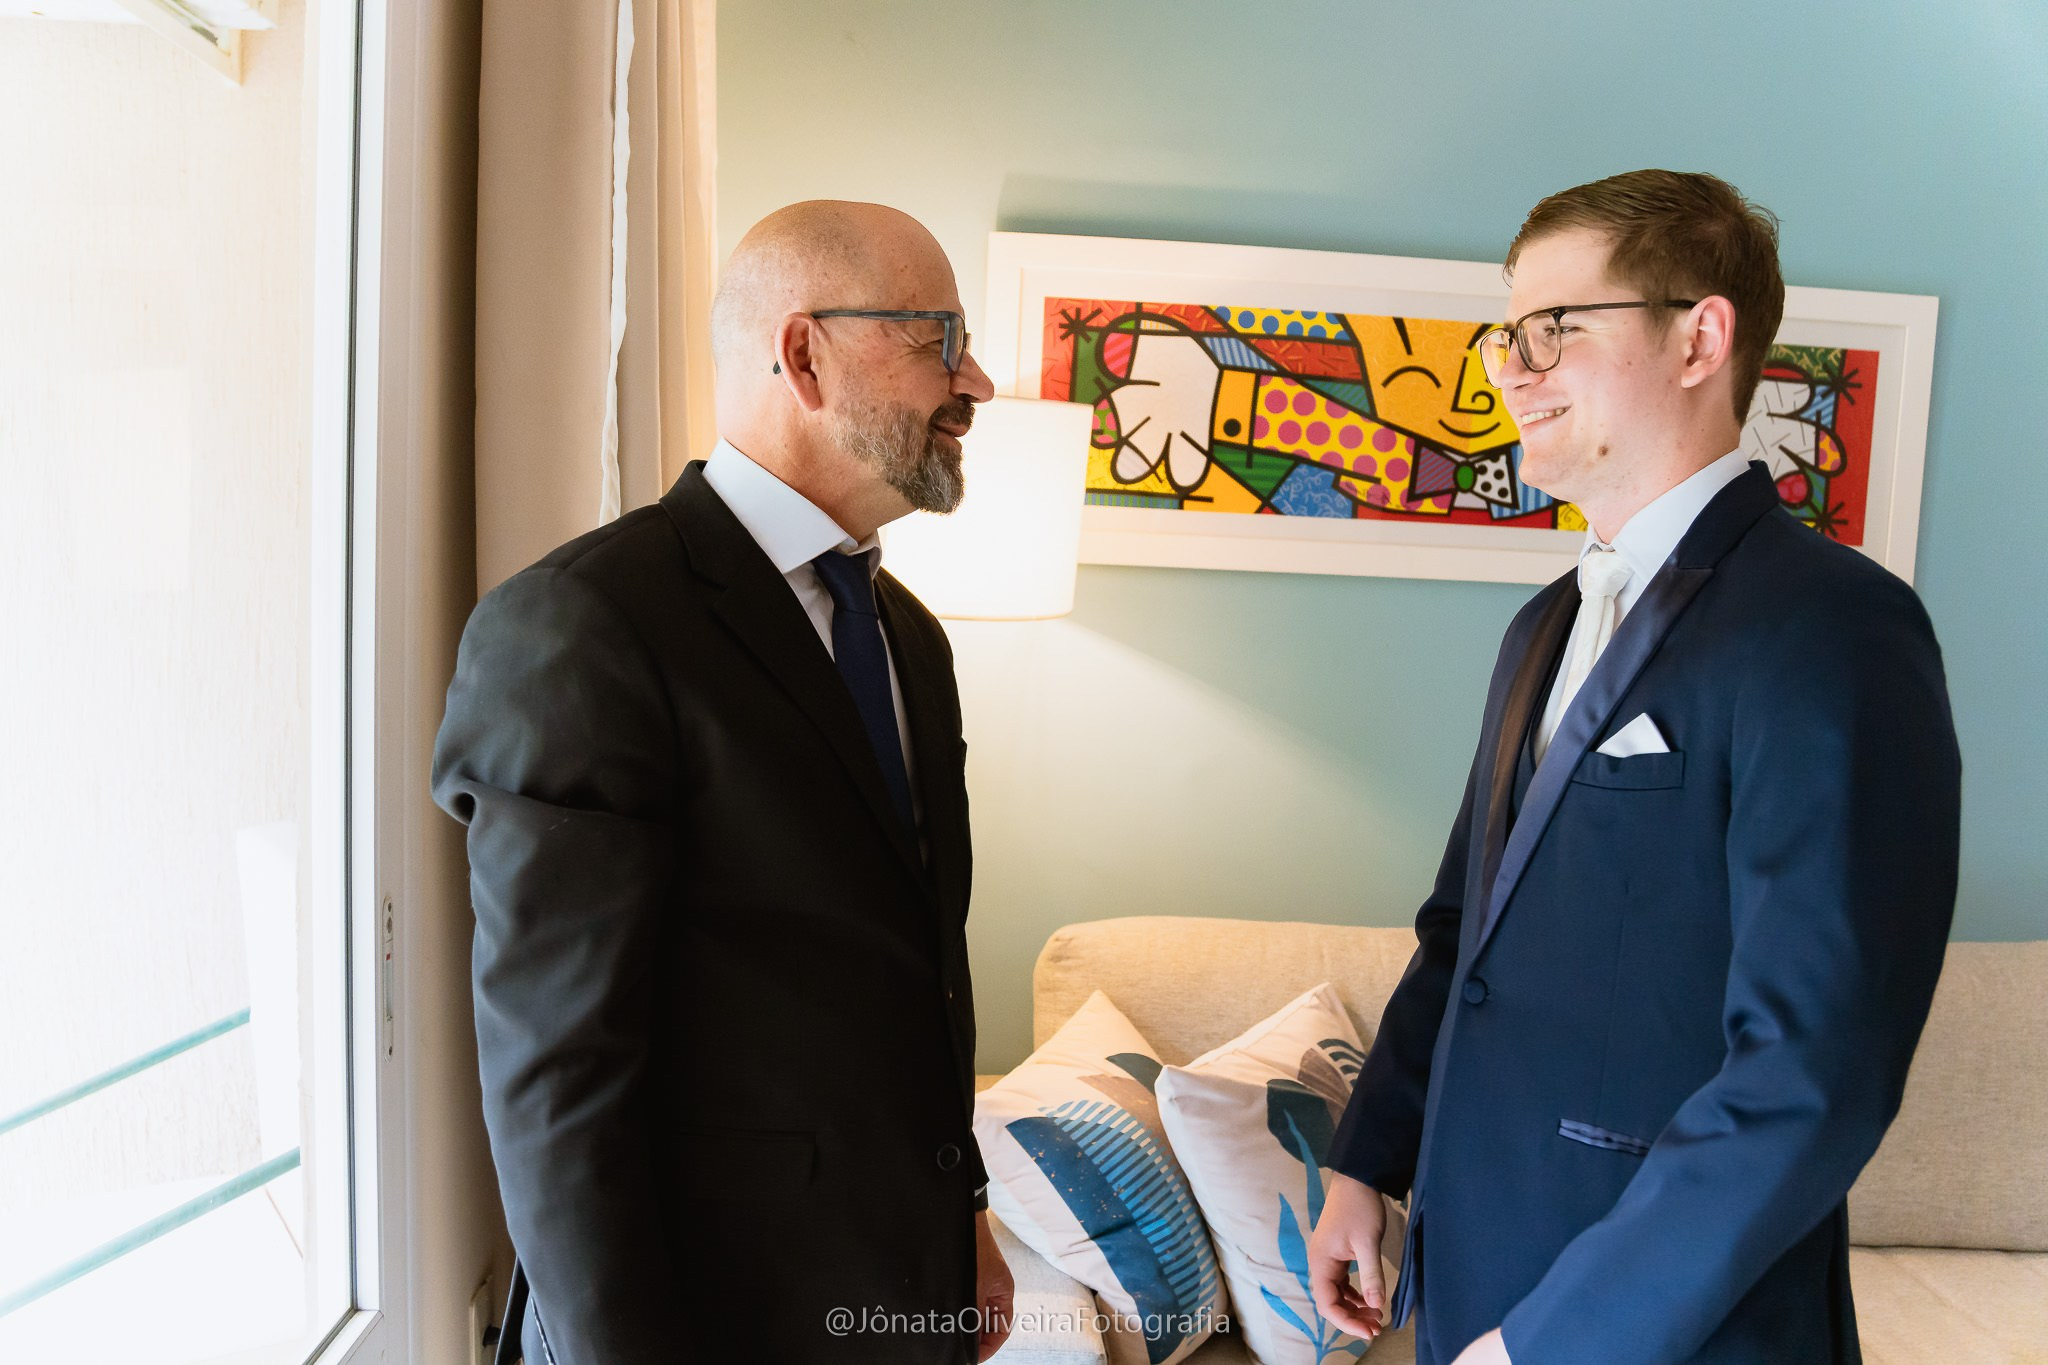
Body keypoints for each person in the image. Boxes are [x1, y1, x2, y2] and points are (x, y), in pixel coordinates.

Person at [1305, 170, 1960, 1365]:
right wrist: (1367, 1160)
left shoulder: (1832, 626)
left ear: (1698, 338)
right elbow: (1462, 935)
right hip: (1469, 1271)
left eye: (1557, 327)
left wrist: (1557, 1341)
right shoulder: (1544, 623)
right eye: (1509, 334)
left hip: (1664, 1318)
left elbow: (1814, 1070)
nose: (1511, 367)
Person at [432, 200, 1012, 1365]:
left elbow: (912, 984)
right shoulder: (584, 625)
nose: (978, 381)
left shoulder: (908, 639)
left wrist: (963, 1220)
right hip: (699, 1320)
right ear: (803, 354)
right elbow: (558, 1074)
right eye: (938, 339)